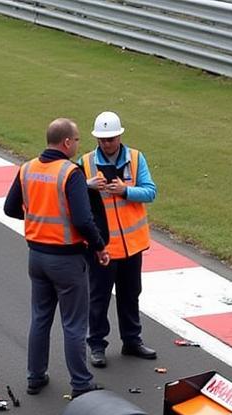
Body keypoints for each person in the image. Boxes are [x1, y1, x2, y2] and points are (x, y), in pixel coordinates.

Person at [4, 118, 111, 399]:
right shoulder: (70, 172)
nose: (78, 144)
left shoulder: (28, 168)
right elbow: (83, 219)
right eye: (76, 140)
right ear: (66, 142)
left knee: (40, 319)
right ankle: (81, 383)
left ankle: (35, 377)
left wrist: (39, 218)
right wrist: (99, 245)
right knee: (74, 324)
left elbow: (10, 208)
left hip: (36, 256)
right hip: (66, 259)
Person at [79, 111, 158, 366]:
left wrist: (125, 191)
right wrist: (87, 185)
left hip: (132, 244)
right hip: (103, 246)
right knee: (99, 297)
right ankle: (97, 345)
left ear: (120, 136)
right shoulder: (86, 162)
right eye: (102, 140)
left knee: (130, 293)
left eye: (110, 139)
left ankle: (132, 341)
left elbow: (150, 192)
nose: (106, 144)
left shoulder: (135, 158)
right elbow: (73, 196)